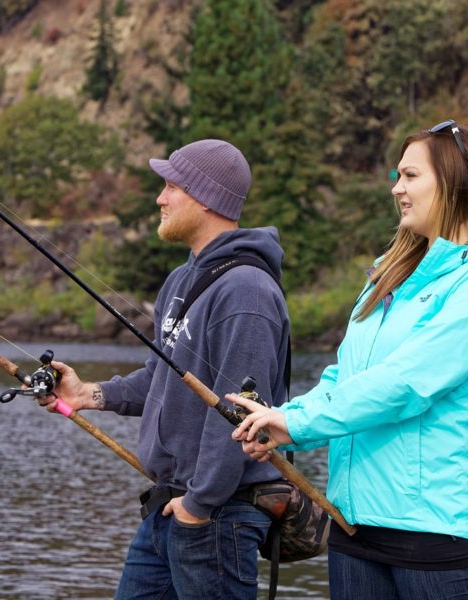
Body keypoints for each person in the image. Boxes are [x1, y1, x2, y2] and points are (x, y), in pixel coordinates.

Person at [229, 120, 468, 600]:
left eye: (410, 176)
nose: (397, 188)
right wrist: (280, 422)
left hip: (440, 534)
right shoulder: (387, 276)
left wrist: (298, 423)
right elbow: (346, 377)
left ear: (453, 181)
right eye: (397, 176)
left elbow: (406, 383)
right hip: (355, 527)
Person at [39, 139, 291, 599]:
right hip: (171, 506)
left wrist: (199, 504)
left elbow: (239, 413)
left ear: (204, 197)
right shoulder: (181, 279)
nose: (160, 198)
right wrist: (86, 394)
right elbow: (161, 379)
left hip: (217, 515)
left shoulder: (247, 292)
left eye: (171, 186)